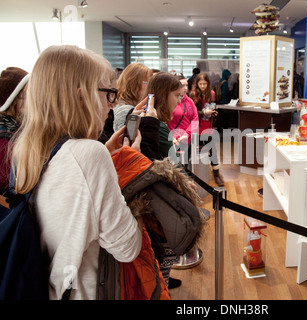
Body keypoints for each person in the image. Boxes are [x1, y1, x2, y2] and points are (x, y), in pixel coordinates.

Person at [10, 45, 144, 299]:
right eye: (108, 93)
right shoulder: (89, 155)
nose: (111, 105)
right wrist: (132, 164)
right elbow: (128, 247)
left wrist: (104, 152)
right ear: (82, 96)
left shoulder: (25, 151)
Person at [132, 71, 183, 289]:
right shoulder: (157, 125)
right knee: (164, 248)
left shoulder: (156, 123)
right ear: (164, 95)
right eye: (177, 95)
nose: (179, 100)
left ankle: (163, 282)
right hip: (159, 197)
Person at [190, 72, 224, 186]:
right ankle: (195, 175)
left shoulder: (211, 93)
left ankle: (216, 174)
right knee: (194, 151)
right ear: (197, 84)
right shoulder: (194, 94)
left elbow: (211, 106)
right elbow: (192, 113)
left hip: (208, 126)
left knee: (212, 150)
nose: (203, 86)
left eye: (205, 84)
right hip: (197, 127)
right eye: (200, 83)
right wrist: (204, 112)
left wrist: (213, 113)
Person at [0, 67, 29, 189]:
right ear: (13, 99)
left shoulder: (16, 129)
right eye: (28, 95)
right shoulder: (4, 139)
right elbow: (12, 186)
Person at [113, 63, 153, 132]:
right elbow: (124, 139)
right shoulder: (125, 110)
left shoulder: (126, 106)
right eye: (148, 83)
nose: (151, 87)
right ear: (134, 84)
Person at [168, 74, 199, 157]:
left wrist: (186, 134)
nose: (185, 88)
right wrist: (172, 137)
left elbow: (195, 119)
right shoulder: (169, 101)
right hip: (173, 140)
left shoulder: (189, 101)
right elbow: (165, 121)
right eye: (182, 86)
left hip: (187, 139)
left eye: (186, 85)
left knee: (186, 164)